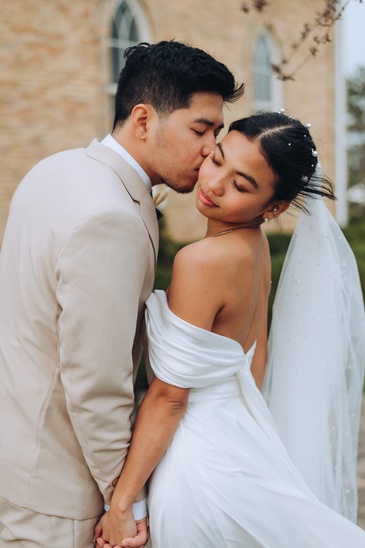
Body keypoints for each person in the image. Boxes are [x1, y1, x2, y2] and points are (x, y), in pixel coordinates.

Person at [0, 40, 243, 547]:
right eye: (199, 129)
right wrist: (125, 502)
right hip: (57, 494)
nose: (209, 151)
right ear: (142, 119)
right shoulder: (109, 216)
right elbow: (97, 382)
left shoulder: (55, 169)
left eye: (216, 133)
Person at [95, 111, 365, 547]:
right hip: (237, 438)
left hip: (195, 461)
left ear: (274, 208)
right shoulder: (255, 249)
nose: (214, 183)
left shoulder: (202, 261)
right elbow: (254, 358)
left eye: (241, 185)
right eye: (217, 159)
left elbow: (168, 398)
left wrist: (122, 505)